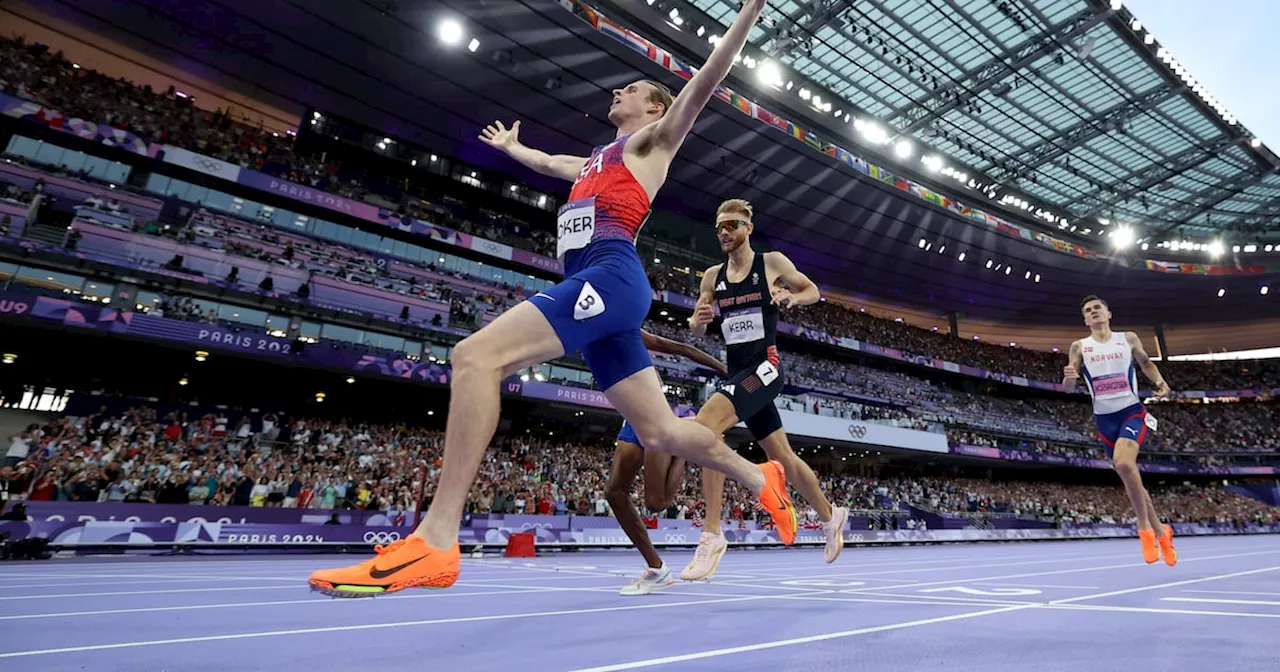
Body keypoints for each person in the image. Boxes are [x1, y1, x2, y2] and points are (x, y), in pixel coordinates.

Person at [308, 0, 797, 598]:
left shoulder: (652, 146)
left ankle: (435, 541)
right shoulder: (595, 160)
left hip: (608, 276)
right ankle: (760, 476)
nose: (618, 92)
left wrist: (748, 9)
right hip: (598, 286)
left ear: (654, 108)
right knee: (664, 432)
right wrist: (515, 149)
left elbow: (711, 74)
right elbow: (547, 160)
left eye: (632, 88)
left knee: (474, 357)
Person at [680, 198, 848, 581]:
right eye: (719, 227)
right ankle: (830, 515)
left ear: (748, 228)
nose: (724, 232)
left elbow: (812, 290)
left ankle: (712, 534)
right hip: (737, 373)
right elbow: (696, 323)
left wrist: (791, 296)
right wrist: (698, 320)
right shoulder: (711, 277)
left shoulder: (771, 263)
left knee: (706, 428)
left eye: (732, 225)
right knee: (784, 458)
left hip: (766, 368)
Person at [605, 330, 728, 596]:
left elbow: (682, 348)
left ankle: (681, 448)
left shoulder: (626, 328)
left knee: (656, 503)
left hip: (654, 418)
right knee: (614, 493)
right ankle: (657, 569)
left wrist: (722, 367)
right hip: (630, 420)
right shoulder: (584, 331)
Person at [1062, 295, 1176, 566]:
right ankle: (1162, 531)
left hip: (1131, 411)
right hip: (1104, 420)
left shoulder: (1128, 339)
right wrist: (1068, 378)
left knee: (1123, 463)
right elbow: (1069, 387)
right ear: (1085, 319)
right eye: (1088, 311)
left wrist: (1160, 382)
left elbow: (1146, 363)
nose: (1094, 312)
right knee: (1129, 474)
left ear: (1108, 313)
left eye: (1097, 308)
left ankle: (1144, 529)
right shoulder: (1079, 347)